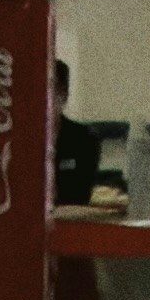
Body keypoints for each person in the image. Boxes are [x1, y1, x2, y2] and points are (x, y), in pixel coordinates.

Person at [52, 56, 106, 208]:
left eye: (51, 88)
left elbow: (80, 196)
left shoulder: (85, 139)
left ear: (63, 95)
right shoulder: (22, 140)